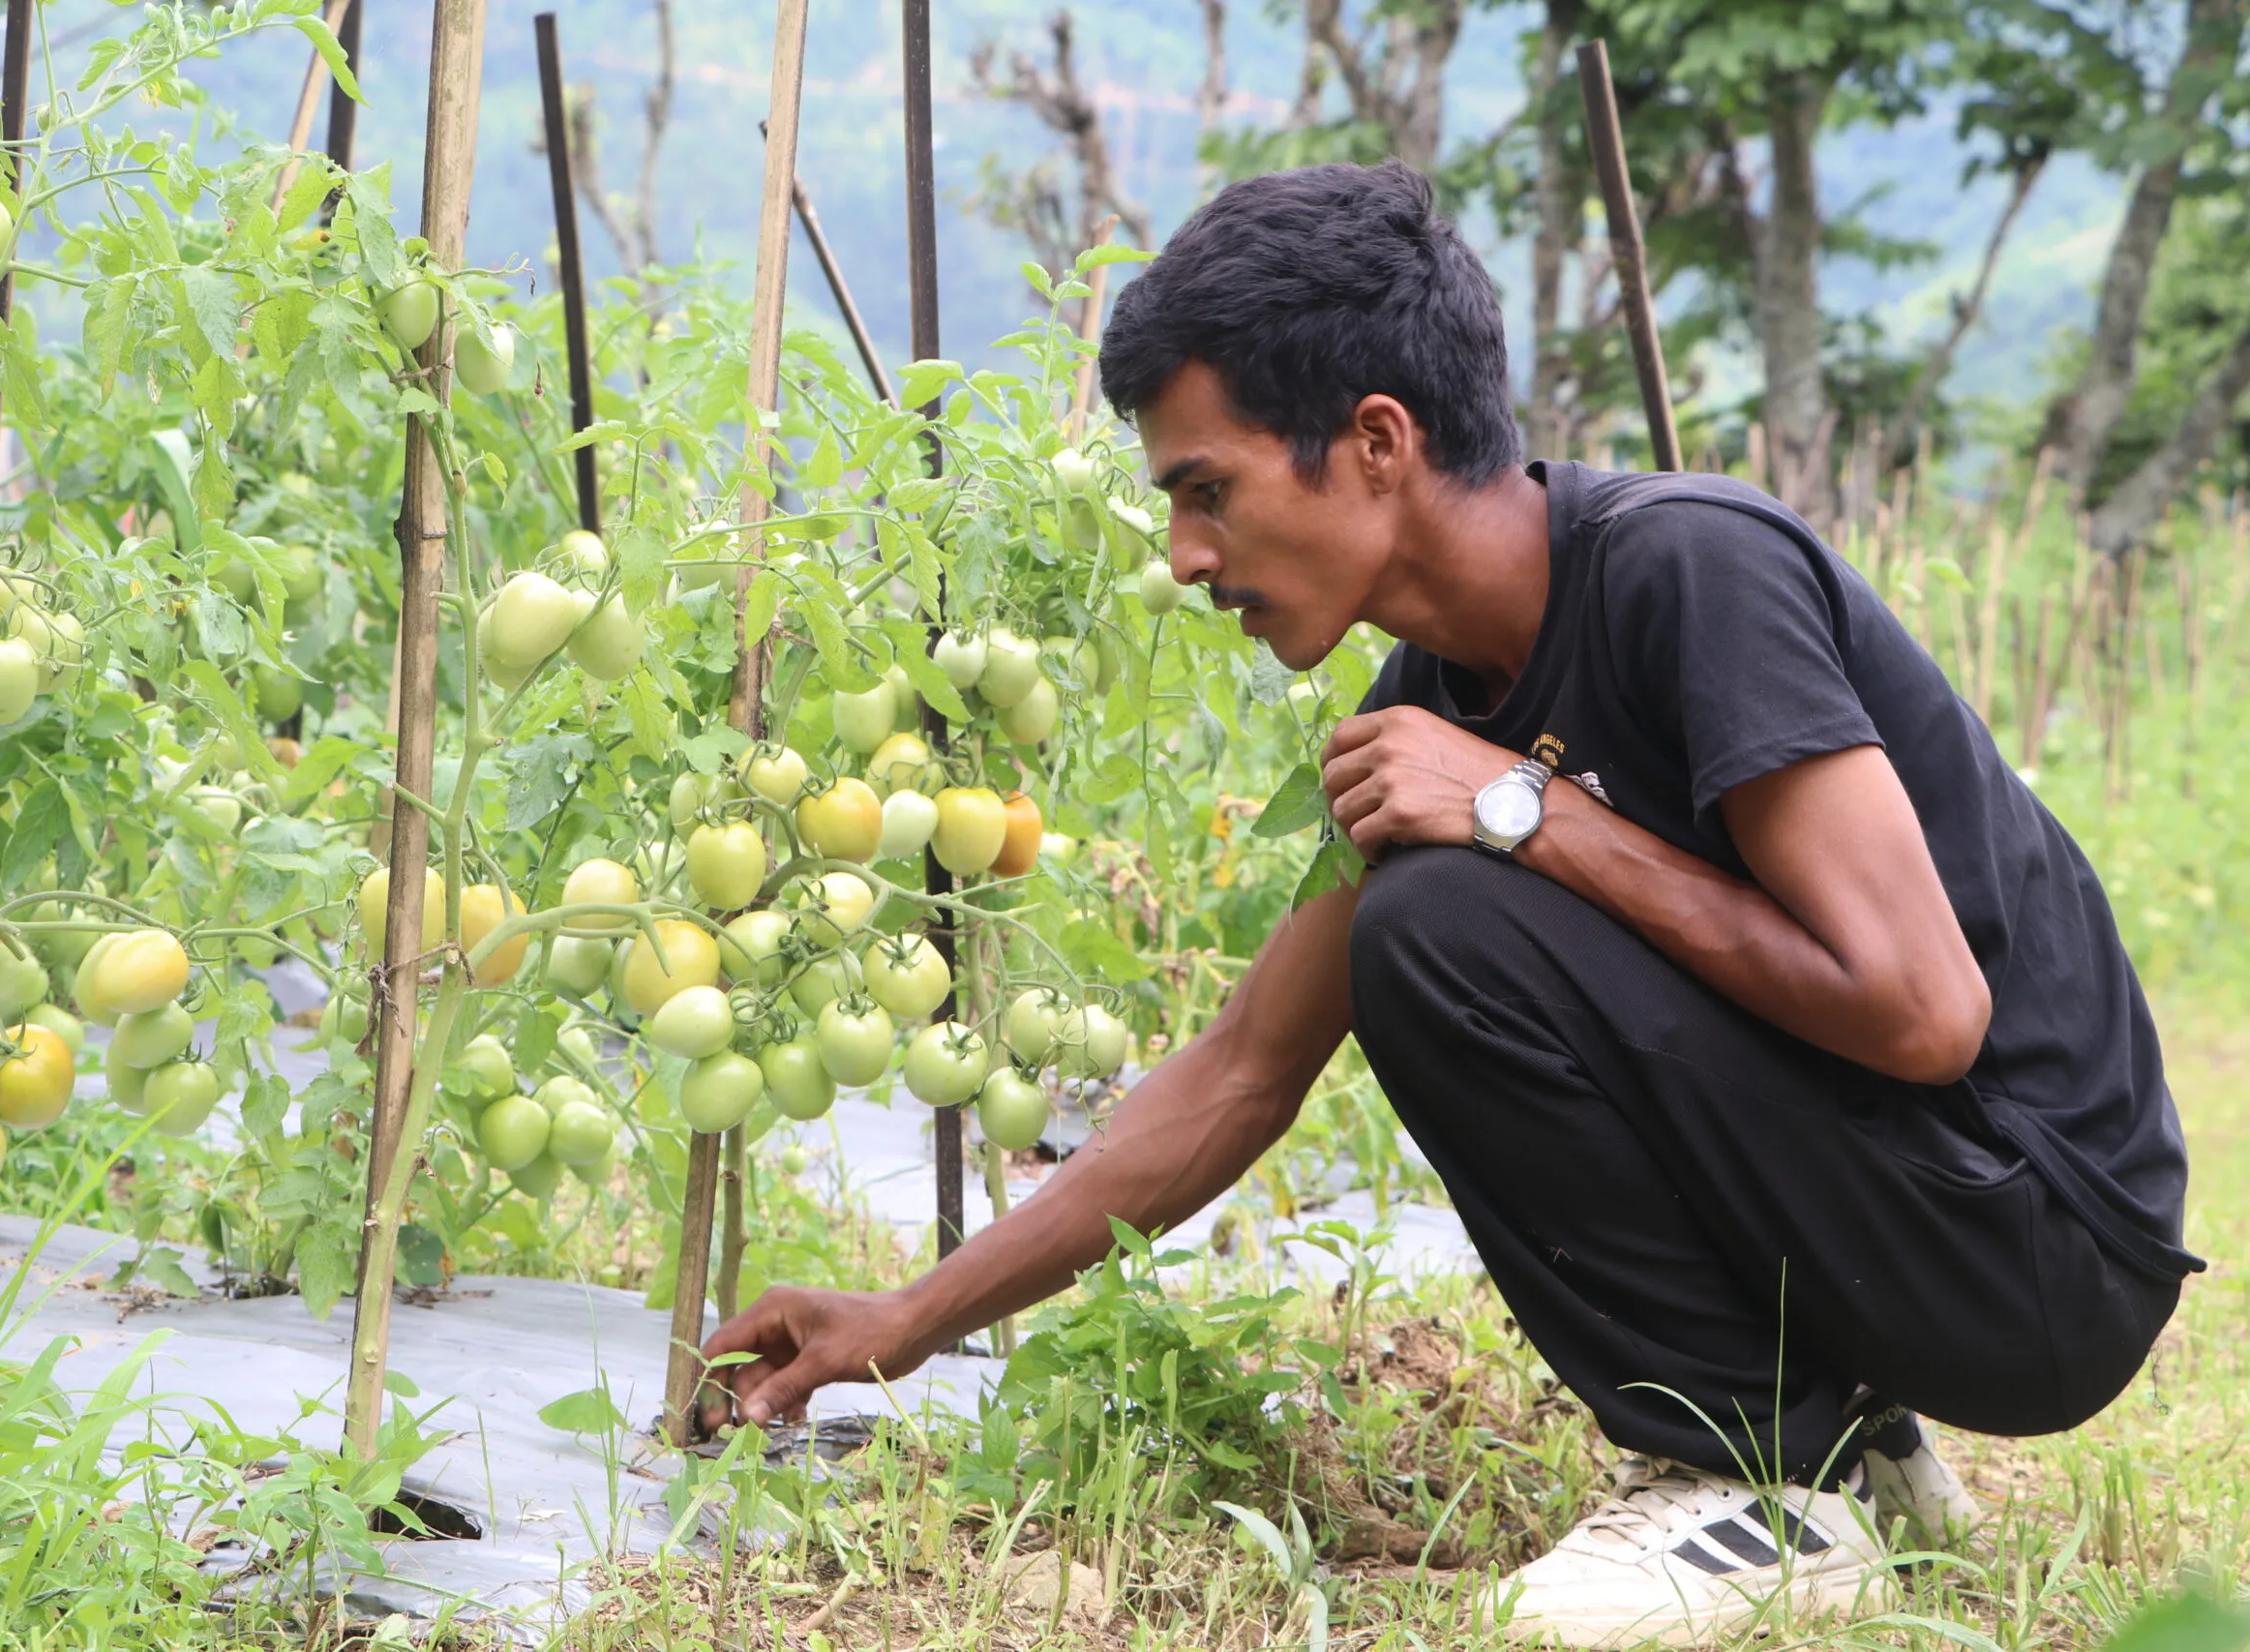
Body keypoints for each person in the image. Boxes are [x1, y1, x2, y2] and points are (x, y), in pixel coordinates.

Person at [703, 161, 2200, 1647]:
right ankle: (1862, 1456)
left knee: (1431, 920)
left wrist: (1525, 812)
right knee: (1427, 904)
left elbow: (1927, 1015)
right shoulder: (1432, 705)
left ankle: (1753, 1475)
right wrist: (900, 1319)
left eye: (1207, 492)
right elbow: (1241, 1071)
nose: (1184, 558)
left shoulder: (1687, 571)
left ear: (1373, 441)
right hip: (1921, 1221)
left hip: (2043, 1242)